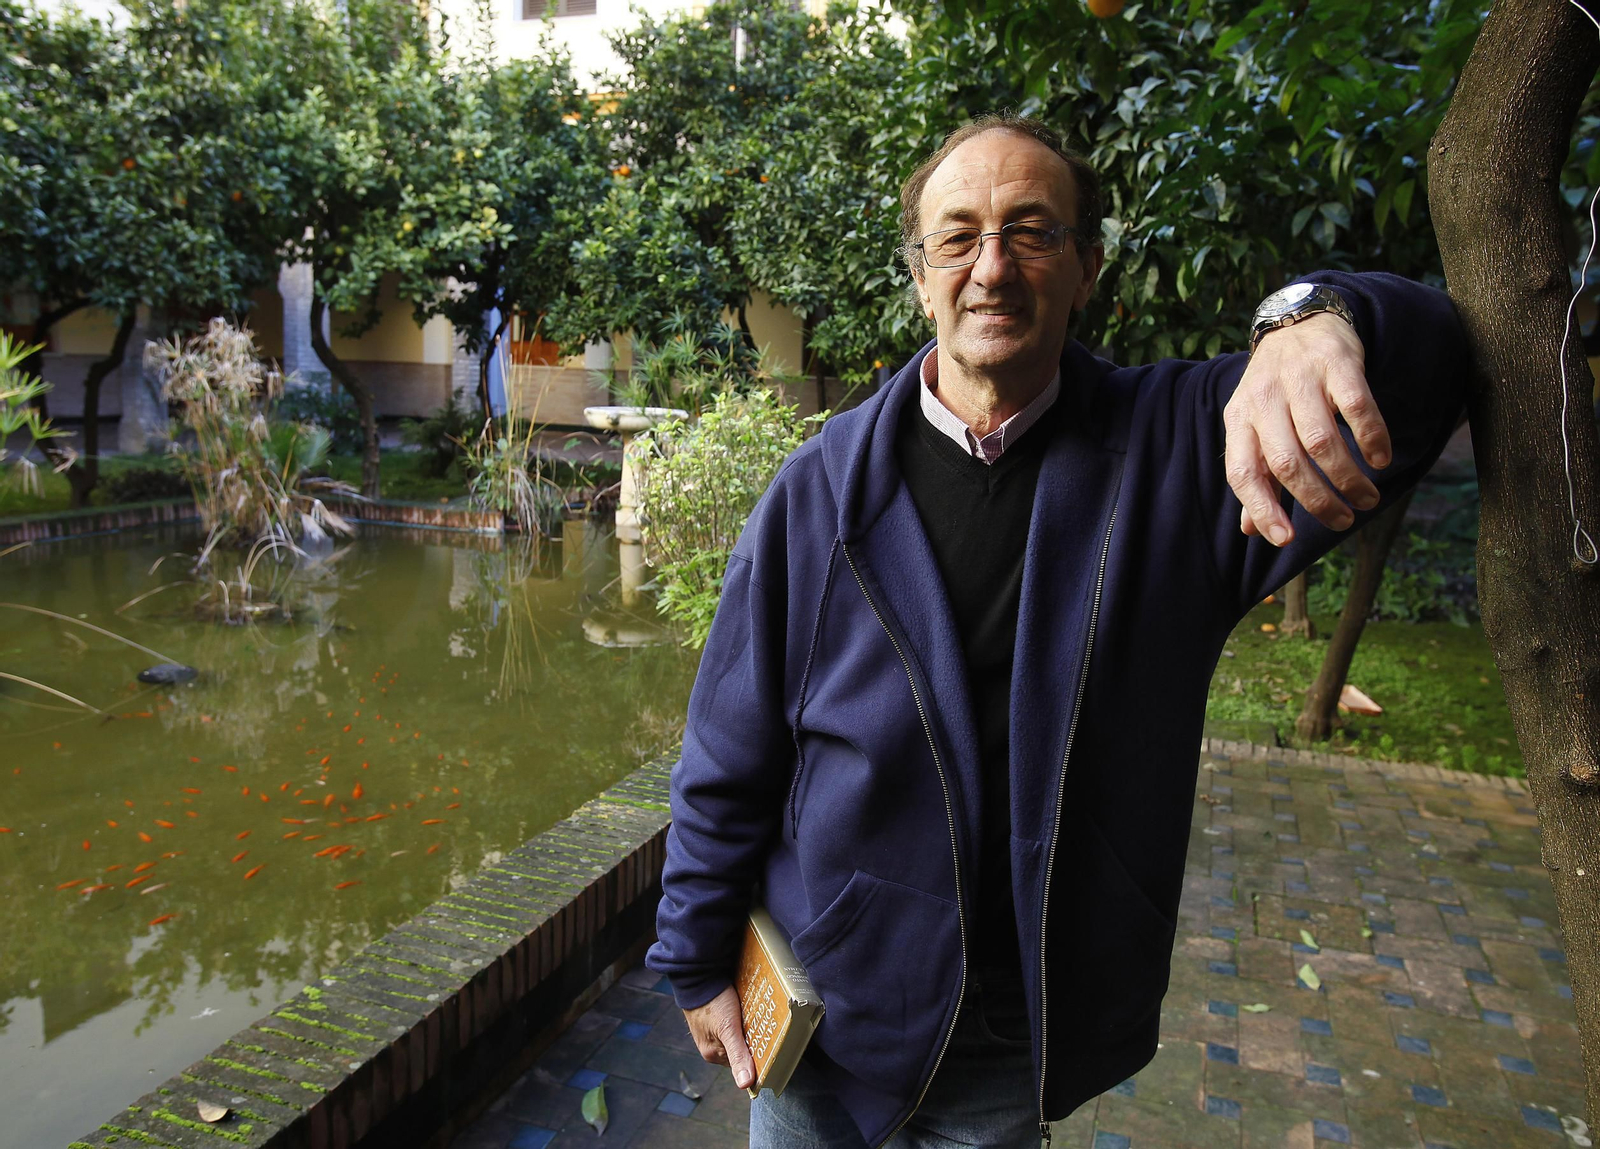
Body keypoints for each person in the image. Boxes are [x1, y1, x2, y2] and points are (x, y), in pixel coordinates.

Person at [644, 113, 1467, 1149]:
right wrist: (692, 956)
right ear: (920, 274)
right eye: (958, 236)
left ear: (1085, 269)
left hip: (1015, 1021)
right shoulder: (820, 491)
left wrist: (1312, 316)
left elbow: (1439, 359)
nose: (992, 268)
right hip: (824, 1018)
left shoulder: (1182, 457)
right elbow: (728, 754)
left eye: (1032, 233)